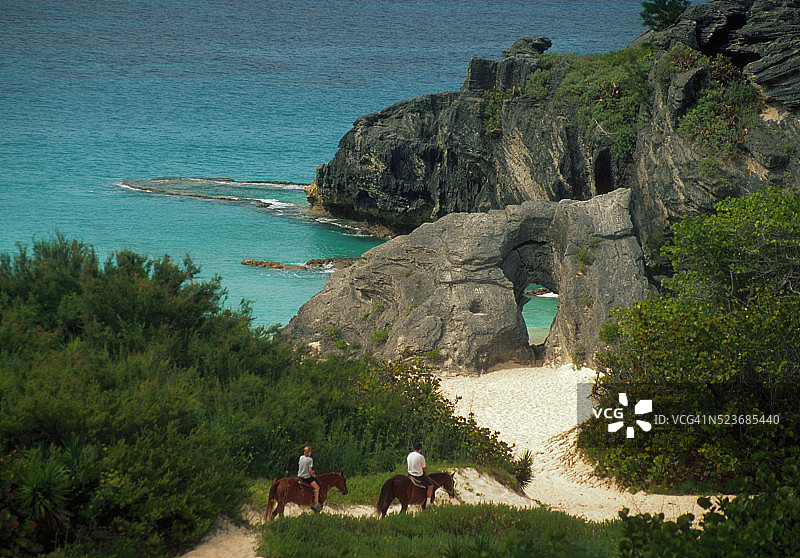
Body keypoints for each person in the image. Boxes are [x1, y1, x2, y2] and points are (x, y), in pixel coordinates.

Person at [297, 445, 321, 510]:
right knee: (317, 487)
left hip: (299, 476)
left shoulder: (301, 457)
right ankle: (316, 503)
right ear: (309, 452)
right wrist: (314, 475)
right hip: (306, 477)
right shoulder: (310, 459)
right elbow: (310, 471)